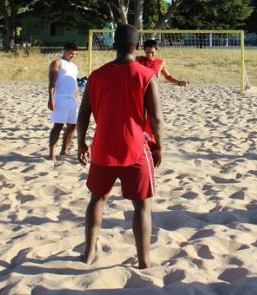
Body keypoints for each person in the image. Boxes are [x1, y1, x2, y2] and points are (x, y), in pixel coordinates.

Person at [77, 24, 163, 269]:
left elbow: (83, 114)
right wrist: (159, 145)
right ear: (137, 47)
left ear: (114, 45)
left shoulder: (96, 75)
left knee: (97, 199)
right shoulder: (146, 76)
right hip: (135, 148)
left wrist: (82, 141)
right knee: (142, 205)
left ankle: (89, 253)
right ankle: (144, 260)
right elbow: (156, 118)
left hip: (102, 147)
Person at [48, 42, 79, 161]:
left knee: (72, 126)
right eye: (70, 53)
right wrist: (51, 98)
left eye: (74, 53)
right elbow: (52, 81)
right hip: (60, 97)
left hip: (72, 99)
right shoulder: (57, 62)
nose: (72, 55)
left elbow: (74, 84)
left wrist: (77, 99)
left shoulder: (74, 66)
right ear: (65, 51)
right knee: (58, 125)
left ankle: (64, 149)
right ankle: (52, 153)